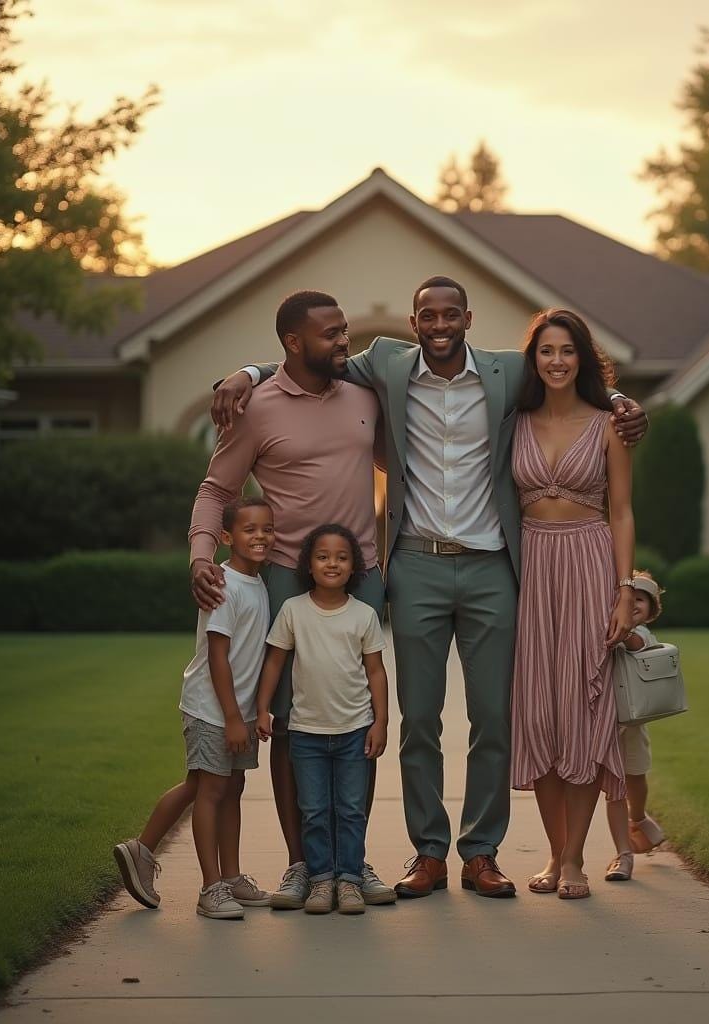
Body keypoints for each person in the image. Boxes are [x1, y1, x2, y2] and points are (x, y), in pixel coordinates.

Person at [212, 276, 648, 900]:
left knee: (493, 715)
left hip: (493, 565)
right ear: (414, 323)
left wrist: (625, 401)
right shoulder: (385, 364)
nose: (439, 325)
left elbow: (568, 375)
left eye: (450, 315)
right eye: (427, 316)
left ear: (468, 319)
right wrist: (245, 374)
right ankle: (429, 852)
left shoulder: (505, 372)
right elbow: (306, 359)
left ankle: (482, 851)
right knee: (419, 719)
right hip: (414, 562)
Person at [189, 290, 396, 909]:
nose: (343, 341)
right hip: (285, 580)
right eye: (330, 333)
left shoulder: (364, 393)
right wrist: (202, 556)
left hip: (362, 577)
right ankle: (303, 864)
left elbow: (417, 459)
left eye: (345, 330)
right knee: (286, 723)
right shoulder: (256, 408)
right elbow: (213, 489)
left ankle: (351, 864)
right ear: (293, 342)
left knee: (360, 718)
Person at [510, 309, 635, 901]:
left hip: (589, 563)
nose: (556, 361)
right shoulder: (514, 420)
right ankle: (553, 855)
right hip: (531, 570)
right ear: (532, 360)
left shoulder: (610, 422)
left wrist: (624, 590)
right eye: (545, 351)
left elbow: (621, 511)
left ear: (582, 358)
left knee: (584, 713)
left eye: (567, 351)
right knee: (540, 714)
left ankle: (576, 858)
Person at [113, 496, 274, 919]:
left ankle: (222, 873)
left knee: (222, 788)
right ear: (226, 537)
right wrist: (233, 717)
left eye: (267, 529)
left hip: (238, 711)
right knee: (210, 791)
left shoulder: (258, 583)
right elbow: (217, 657)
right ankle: (210, 888)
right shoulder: (223, 584)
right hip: (212, 708)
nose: (260, 536)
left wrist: (255, 711)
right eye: (249, 529)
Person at [256, 524, 390, 915]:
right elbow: (274, 663)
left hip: (354, 731)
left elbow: (377, 672)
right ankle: (320, 881)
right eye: (323, 556)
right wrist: (263, 707)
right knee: (313, 810)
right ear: (308, 565)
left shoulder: (363, 616)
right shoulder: (293, 611)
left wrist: (380, 722)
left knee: (350, 809)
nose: (332, 563)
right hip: (306, 733)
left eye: (342, 557)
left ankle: (349, 880)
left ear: (354, 567)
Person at [604, 570, 667, 882]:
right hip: (604, 725)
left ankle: (638, 816)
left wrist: (621, 627)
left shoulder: (641, 634)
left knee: (636, 778)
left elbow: (634, 644)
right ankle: (623, 853)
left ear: (650, 610)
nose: (632, 604)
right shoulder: (606, 625)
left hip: (631, 725)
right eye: (628, 598)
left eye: (640, 599)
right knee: (614, 788)